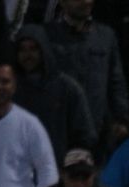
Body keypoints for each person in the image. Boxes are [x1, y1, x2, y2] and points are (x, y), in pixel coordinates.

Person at [41, 0, 128, 159]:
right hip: (58, 127)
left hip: (97, 128)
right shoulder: (47, 35)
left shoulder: (106, 35)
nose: (85, 2)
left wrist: (121, 117)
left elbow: (116, 80)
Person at [12, 28, 92, 166]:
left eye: (33, 49)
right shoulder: (10, 89)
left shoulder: (67, 88)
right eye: (22, 50)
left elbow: (84, 135)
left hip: (56, 172)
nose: (27, 55)